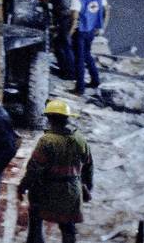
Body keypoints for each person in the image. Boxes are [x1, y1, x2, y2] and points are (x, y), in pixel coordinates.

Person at [18, 100, 93, 243]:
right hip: (72, 191)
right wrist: (87, 187)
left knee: (35, 222)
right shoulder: (80, 139)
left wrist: (23, 186)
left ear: (49, 119)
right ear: (67, 118)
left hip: (47, 191)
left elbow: (34, 169)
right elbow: (89, 166)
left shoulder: (46, 141)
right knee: (68, 228)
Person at [69, 0, 108, 94]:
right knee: (87, 54)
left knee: (79, 59)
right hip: (92, 30)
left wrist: (69, 34)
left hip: (80, 32)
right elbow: (107, 10)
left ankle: (79, 89)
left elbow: (74, 18)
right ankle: (95, 81)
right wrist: (102, 26)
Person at [39, 0, 75, 79]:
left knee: (62, 45)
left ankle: (69, 72)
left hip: (64, 18)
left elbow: (46, 0)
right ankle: (66, 70)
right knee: (63, 44)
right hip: (70, 17)